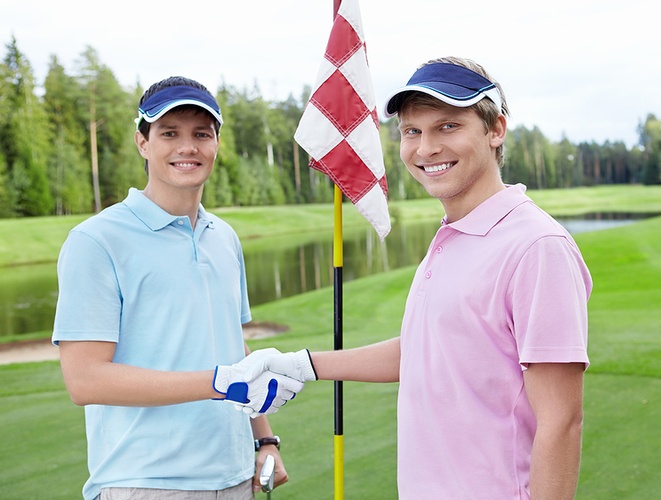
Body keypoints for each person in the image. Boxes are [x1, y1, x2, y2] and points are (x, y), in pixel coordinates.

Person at [239, 56, 594, 499]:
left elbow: (562, 422)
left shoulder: (537, 248)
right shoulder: (452, 236)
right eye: (412, 131)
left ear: (495, 129)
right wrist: (304, 364)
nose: (425, 149)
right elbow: (428, 351)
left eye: (448, 126)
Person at [52, 76, 302, 500]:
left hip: (235, 476)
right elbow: (86, 380)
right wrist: (218, 382)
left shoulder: (223, 236)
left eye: (201, 134)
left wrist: (265, 440)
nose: (188, 147)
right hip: (145, 482)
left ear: (216, 144)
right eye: (170, 133)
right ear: (142, 142)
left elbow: (232, 349)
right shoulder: (95, 240)